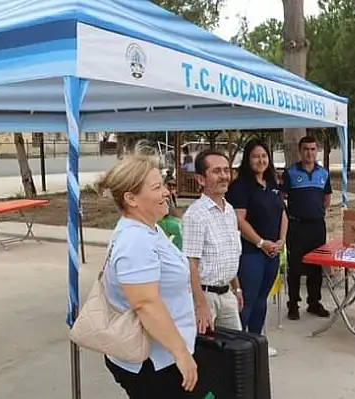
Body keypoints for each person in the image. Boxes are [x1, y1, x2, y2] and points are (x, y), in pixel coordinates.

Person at [96, 155, 198, 398]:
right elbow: (145, 303)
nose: (166, 193)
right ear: (131, 199)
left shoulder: (148, 229)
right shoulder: (136, 241)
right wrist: (181, 353)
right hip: (154, 361)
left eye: (163, 185)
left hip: (161, 354)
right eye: (157, 187)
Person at [226, 139, 287, 356]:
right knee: (248, 299)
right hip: (251, 252)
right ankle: (239, 346)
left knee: (262, 299)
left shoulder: (272, 184)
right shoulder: (240, 186)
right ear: (247, 159)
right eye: (255, 156)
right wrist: (261, 242)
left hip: (271, 252)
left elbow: (282, 213)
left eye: (264, 156)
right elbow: (239, 220)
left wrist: (281, 240)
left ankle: (256, 342)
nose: (260, 160)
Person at [182, 149, 243, 333]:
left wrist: (237, 289)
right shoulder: (195, 215)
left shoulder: (229, 210)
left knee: (236, 352)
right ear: (201, 179)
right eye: (217, 171)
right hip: (205, 297)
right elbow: (191, 263)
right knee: (207, 355)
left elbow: (229, 255)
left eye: (226, 170)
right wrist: (200, 305)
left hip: (227, 296)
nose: (224, 176)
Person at [282, 135, 331, 320]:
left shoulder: (323, 173)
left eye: (312, 149)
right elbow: (282, 197)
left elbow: (327, 197)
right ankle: (293, 304)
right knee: (294, 266)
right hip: (296, 226)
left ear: (316, 151)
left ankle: (314, 303)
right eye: (306, 149)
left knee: (315, 266)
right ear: (299, 151)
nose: (309, 153)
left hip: (317, 226)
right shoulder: (291, 173)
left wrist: (317, 211)